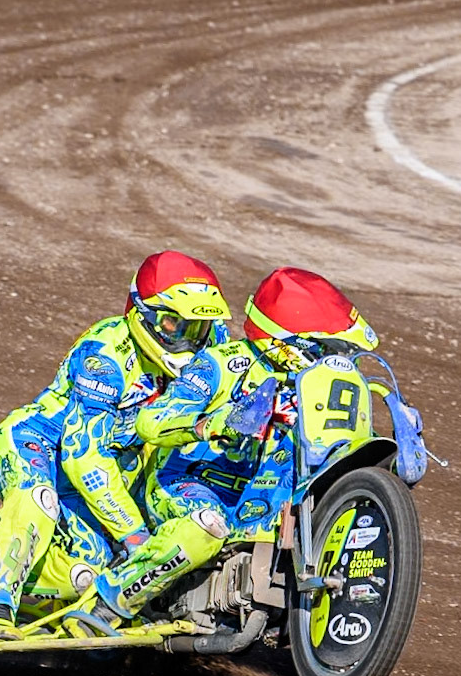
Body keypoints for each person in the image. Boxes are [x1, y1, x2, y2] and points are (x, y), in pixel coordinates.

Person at [85, 266, 383, 624]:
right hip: (190, 483)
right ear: (288, 345)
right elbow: (153, 420)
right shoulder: (223, 363)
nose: (337, 362)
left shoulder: (321, 390)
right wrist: (210, 424)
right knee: (207, 525)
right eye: (326, 350)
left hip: (264, 499)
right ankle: (105, 607)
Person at [0, 250, 232, 639]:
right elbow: (82, 455)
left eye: (199, 328)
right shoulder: (104, 355)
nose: (187, 340)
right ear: (142, 314)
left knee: (89, 571)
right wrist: (134, 533)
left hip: (110, 469)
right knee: (37, 500)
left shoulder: (213, 345)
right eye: (174, 324)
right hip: (40, 443)